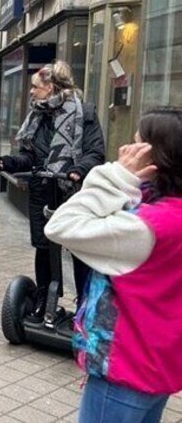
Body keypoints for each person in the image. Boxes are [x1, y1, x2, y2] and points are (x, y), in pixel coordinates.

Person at [45, 107, 182, 423]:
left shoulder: (145, 228)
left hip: (126, 370)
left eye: (136, 143)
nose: (126, 150)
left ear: (153, 157)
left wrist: (117, 175)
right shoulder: (169, 210)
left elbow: (60, 226)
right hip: (159, 365)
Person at [0, 61, 105, 318]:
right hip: (43, 191)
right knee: (44, 248)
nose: (31, 92)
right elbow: (31, 157)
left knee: (78, 250)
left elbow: (95, 152)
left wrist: (78, 169)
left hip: (73, 193)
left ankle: (83, 308)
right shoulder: (38, 116)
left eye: (35, 87)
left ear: (51, 87)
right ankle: (45, 301)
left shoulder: (84, 113)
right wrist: (11, 162)